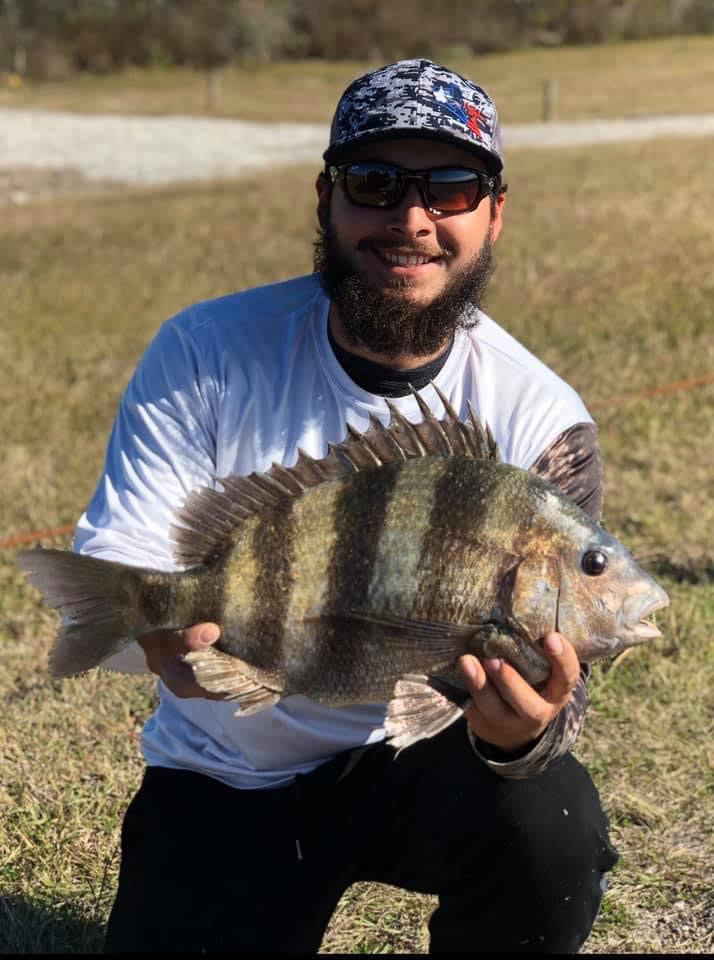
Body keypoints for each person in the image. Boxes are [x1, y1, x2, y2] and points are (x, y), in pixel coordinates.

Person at [76, 59, 618, 954]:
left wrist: (524, 737)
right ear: (325, 199)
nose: (412, 219)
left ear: (495, 211)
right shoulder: (206, 353)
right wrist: (159, 635)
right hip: (232, 764)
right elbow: (128, 572)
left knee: (550, 828)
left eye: (451, 187)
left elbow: (565, 706)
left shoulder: (540, 419)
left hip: (423, 759)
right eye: (375, 183)